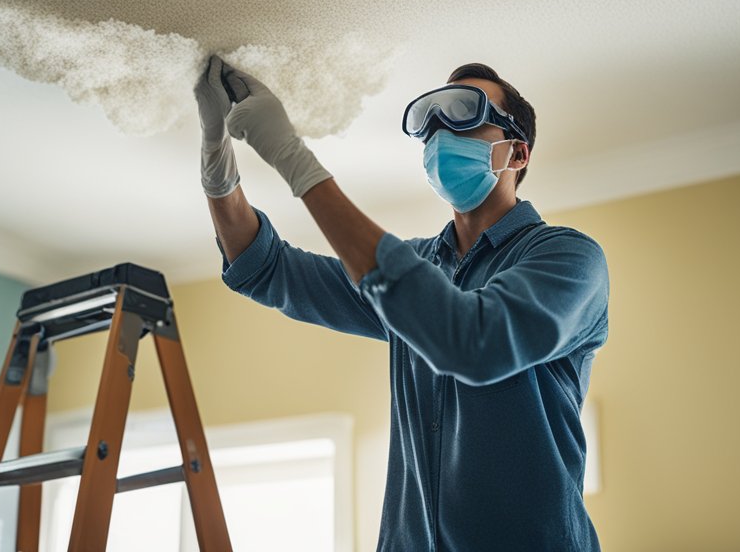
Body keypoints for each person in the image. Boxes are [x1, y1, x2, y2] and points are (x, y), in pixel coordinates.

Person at [194, 56, 609, 551]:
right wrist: (216, 152)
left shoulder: (568, 257)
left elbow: (475, 342)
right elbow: (266, 268)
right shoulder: (416, 269)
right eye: (430, 123)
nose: (439, 135)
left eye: (463, 114)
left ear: (516, 154)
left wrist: (292, 157)